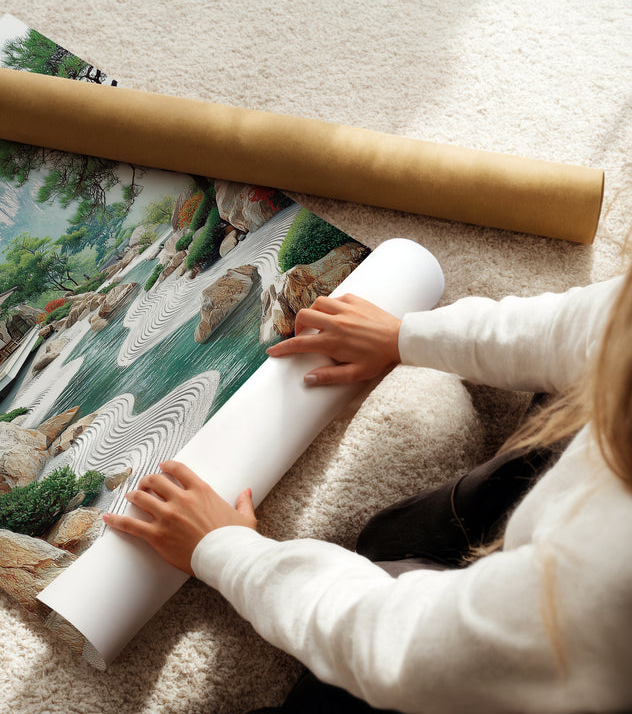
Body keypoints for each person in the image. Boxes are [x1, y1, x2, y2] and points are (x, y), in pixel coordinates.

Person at [102, 272, 632, 713]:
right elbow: (593, 324)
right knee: (393, 537)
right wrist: (405, 335)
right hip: (565, 540)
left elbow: (403, 646)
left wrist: (226, 551)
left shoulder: (605, 585)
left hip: (554, 661)